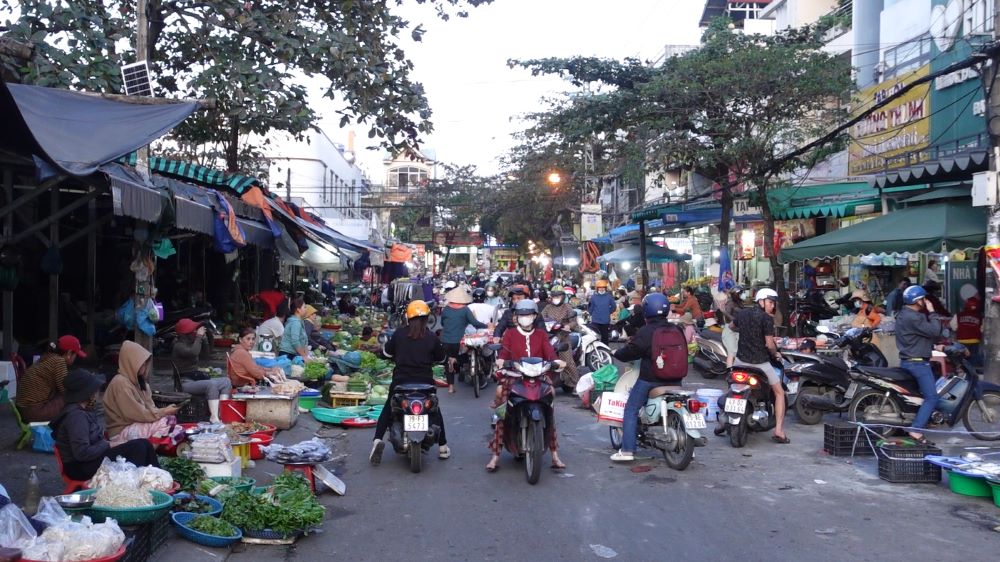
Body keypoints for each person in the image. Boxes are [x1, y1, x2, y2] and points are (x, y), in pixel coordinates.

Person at [486, 299, 566, 471]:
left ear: (534, 316)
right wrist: (501, 361)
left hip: (538, 376)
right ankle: (495, 455)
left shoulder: (541, 334)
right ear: (516, 317)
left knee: (550, 399)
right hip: (515, 375)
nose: (525, 318)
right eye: (522, 315)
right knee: (502, 404)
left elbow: (549, 352)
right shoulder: (510, 334)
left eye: (528, 315)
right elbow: (503, 352)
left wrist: (556, 361)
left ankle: (554, 455)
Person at [370, 300, 449, 464]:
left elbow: (386, 353)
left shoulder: (399, 334)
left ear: (408, 317)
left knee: (388, 408)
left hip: (401, 382)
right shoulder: (431, 337)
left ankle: (377, 440)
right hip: (425, 384)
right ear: (427, 318)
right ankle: (442, 447)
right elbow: (442, 358)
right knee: (435, 410)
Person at [610, 293, 686, 461]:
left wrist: (617, 353)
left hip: (651, 380)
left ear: (646, 311)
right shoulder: (677, 329)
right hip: (676, 380)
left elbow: (632, 351)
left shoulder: (646, 332)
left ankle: (628, 449)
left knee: (631, 409)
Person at [50, 369, 159, 481]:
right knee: (138, 447)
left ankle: (158, 481)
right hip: (81, 468)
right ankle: (139, 483)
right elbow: (82, 453)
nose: (97, 393)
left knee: (144, 443)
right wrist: (108, 445)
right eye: (94, 390)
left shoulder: (80, 411)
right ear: (86, 393)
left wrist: (109, 444)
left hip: (89, 461)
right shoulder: (76, 417)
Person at [715, 288, 789, 443]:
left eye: (773, 303)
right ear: (761, 301)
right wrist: (775, 353)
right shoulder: (766, 319)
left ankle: (723, 421)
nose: (772, 306)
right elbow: (769, 344)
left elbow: (731, 327)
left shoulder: (742, 313)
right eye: (770, 302)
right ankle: (779, 431)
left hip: (740, 362)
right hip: (760, 364)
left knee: (731, 388)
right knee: (780, 393)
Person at [103, 341, 181, 447]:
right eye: (140, 363)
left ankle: (151, 449)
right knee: (167, 422)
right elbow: (137, 414)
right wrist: (163, 412)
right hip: (121, 430)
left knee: (173, 424)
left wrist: (164, 412)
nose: (144, 366)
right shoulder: (121, 383)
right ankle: (150, 452)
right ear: (130, 362)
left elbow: (150, 408)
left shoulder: (140, 382)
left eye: (145, 363)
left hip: (138, 423)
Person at [895, 285, 946, 443]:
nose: (926, 301)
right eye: (923, 299)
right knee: (932, 397)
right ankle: (916, 430)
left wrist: (935, 346)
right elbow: (935, 331)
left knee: (917, 396)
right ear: (917, 300)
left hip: (908, 360)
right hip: (917, 364)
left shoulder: (903, 314)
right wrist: (932, 312)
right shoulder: (914, 317)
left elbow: (918, 337)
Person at [171, 318, 231, 423]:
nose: (195, 332)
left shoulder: (193, 343)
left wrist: (205, 340)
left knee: (226, 382)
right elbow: (193, 353)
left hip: (195, 378)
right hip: (185, 382)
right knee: (211, 385)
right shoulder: (178, 346)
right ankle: (214, 417)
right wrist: (198, 337)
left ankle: (222, 414)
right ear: (186, 334)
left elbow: (206, 355)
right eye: (193, 331)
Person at [15, 335, 85, 422]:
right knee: (73, 397)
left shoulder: (48, 357)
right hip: (33, 412)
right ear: (69, 353)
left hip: (23, 409)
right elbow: (66, 390)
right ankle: (80, 424)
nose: (75, 358)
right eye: (76, 355)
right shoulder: (58, 361)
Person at [440, 287, 488, 393]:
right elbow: (475, 323)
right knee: (465, 358)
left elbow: (443, 323)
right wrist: (487, 325)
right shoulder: (465, 310)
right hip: (459, 341)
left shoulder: (446, 309)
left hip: (445, 341)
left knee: (448, 364)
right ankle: (456, 360)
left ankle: (451, 387)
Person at [541, 285, 580, 387]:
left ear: (563, 296)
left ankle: (575, 384)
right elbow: (540, 319)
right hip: (549, 337)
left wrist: (568, 326)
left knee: (567, 361)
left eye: (558, 296)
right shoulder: (548, 307)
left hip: (563, 337)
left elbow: (574, 322)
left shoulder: (567, 307)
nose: (556, 299)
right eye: (554, 296)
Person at [956, 296, 983, 366]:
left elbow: (953, 327)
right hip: (975, 340)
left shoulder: (959, 315)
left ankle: (965, 373)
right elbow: (982, 329)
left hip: (962, 341)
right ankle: (972, 372)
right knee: (973, 358)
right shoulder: (979, 316)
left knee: (962, 359)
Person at [588, 279, 616, 344]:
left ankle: (605, 351)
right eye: (600, 288)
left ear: (605, 288)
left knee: (605, 338)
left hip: (605, 321)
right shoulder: (593, 297)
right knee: (594, 337)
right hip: (595, 321)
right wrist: (591, 314)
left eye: (603, 288)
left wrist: (608, 312)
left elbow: (614, 307)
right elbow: (590, 308)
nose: (601, 289)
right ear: (597, 289)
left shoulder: (609, 297)